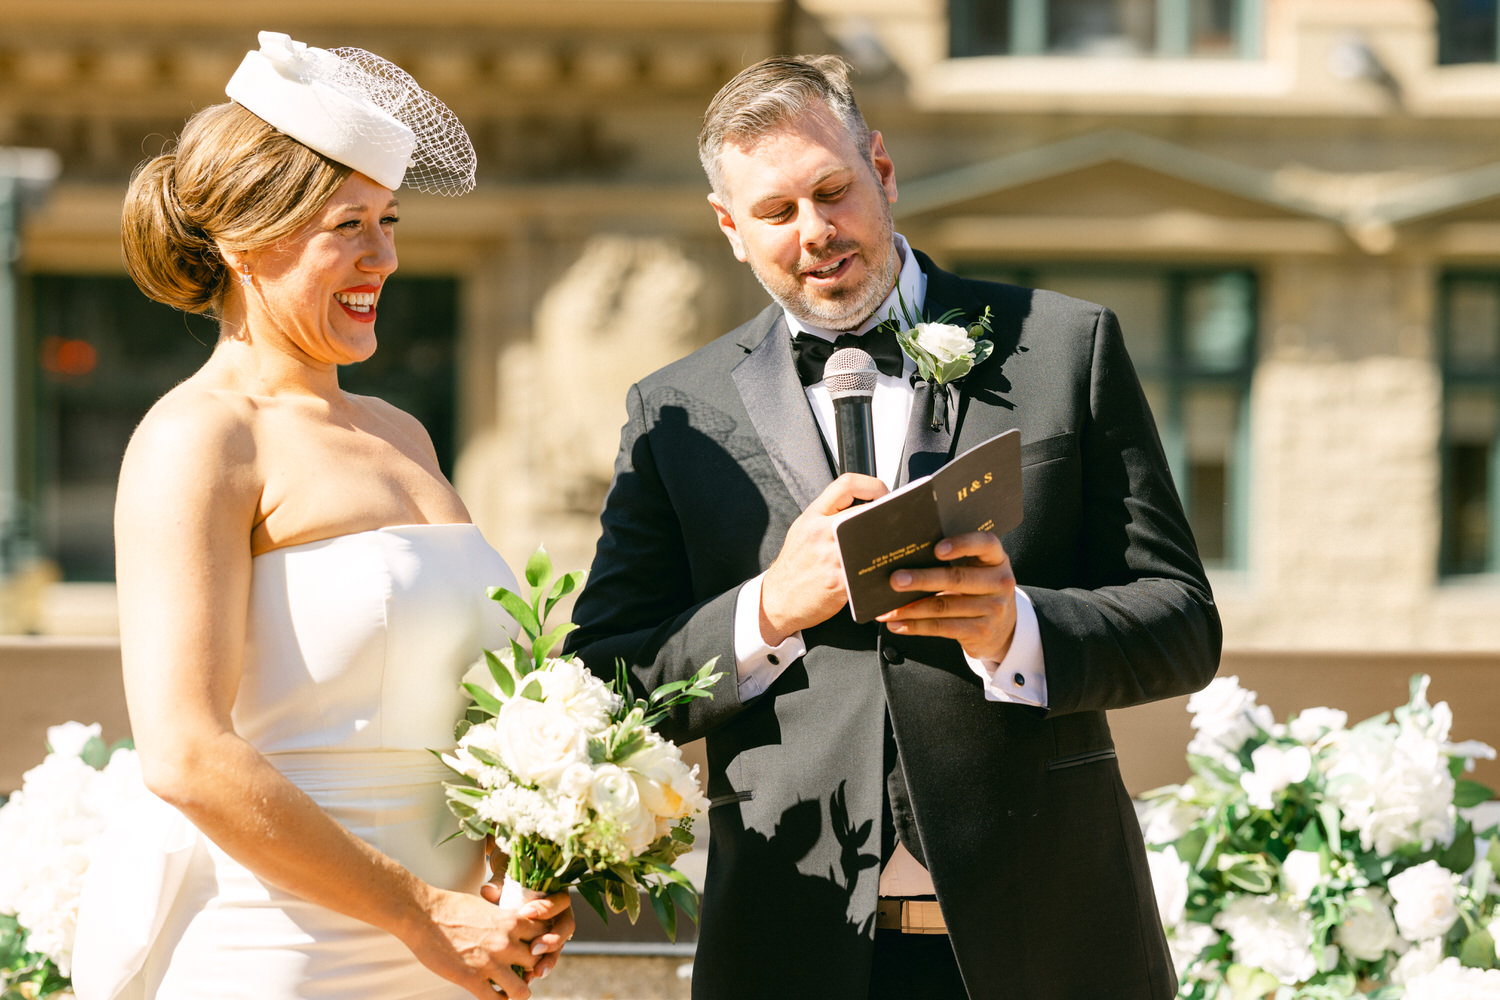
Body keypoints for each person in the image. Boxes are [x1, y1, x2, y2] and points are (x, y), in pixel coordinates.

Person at [565, 54, 1221, 999]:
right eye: (775, 212)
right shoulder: (676, 412)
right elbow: (606, 677)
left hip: (1052, 944)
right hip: (793, 950)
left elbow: (1182, 626)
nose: (816, 233)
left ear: (882, 167)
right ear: (728, 228)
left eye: (834, 191)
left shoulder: (1067, 346)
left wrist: (1018, 631)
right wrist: (764, 612)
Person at [71, 32, 571, 1000]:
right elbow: (184, 752)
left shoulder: (406, 435)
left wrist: (523, 862)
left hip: (457, 955)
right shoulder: (200, 439)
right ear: (243, 243)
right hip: (283, 953)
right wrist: (422, 914)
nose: (382, 256)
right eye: (349, 224)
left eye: (389, 222)